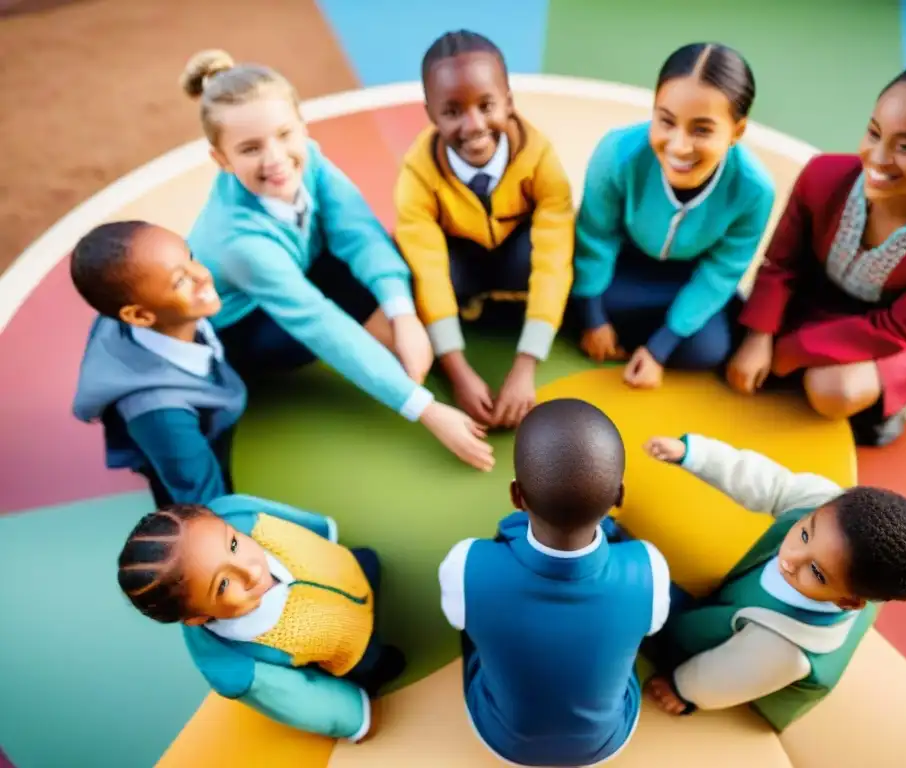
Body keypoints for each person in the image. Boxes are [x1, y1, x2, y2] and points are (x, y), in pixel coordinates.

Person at [181, 49, 494, 471]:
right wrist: (426, 411)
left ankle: (422, 355)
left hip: (302, 268)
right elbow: (323, 327)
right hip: (250, 326)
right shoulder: (238, 243)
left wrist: (402, 316)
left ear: (302, 126)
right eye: (250, 148)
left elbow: (360, 235)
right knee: (348, 311)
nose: (275, 158)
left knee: (380, 258)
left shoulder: (310, 159)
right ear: (221, 160)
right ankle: (420, 380)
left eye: (284, 134)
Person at [727, 49, 906, 446]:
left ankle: (887, 399)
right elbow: (781, 263)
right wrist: (759, 337)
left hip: (902, 330)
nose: (877, 158)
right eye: (875, 132)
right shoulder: (821, 176)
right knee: (731, 337)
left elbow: (895, 327)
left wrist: (786, 352)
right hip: (822, 298)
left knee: (833, 391)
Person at [641, 433, 906, 730]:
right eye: (803, 534)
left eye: (816, 571)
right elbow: (770, 482)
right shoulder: (824, 506)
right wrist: (695, 455)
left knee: (668, 627)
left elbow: (729, 677)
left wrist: (684, 689)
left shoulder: (785, 648)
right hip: (749, 605)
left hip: (752, 655)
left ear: (847, 601)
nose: (791, 557)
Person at [438, 399, 671, 766]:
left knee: (472, 619)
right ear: (619, 496)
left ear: (517, 495)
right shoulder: (650, 568)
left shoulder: (465, 564)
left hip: (503, 740)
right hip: (604, 743)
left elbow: (457, 620)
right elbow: (652, 626)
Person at [116, 493, 406, 741]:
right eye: (223, 585)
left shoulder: (237, 512)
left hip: (345, 567)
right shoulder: (233, 666)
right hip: (351, 646)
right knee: (376, 663)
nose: (252, 570)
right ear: (198, 617)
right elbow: (300, 699)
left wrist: (323, 530)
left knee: (365, 563)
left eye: (233, 545)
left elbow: (290, 518)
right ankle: (375, 663)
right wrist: (354, 719)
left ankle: (361, 572)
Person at [395, 30, 575, 429]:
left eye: (487, 105)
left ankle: (507, 308)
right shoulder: (417, 174)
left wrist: (526, 364)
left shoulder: (540, 157)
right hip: (462, 265)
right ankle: (478, 308)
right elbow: (429, 270)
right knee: (408, 265)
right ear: (430, 114)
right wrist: (457, 371)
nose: (474, 125)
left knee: (557, 252)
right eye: (453, 111)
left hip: (516, 258)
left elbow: (552, 258)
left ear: (509, 101)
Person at [571, 43, 775, 390]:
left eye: (701, 130)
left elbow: (720, 273)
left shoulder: (754, 191)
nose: (679, 146)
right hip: (622, 265)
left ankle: (646, 328)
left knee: (708, 349)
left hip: (684, 278)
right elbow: (595, 237)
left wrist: (659, 349)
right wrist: (593, 320)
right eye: (666, 121)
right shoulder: (617, 153)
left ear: (737, 132)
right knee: (568, 302)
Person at [71, 221, 245, 507]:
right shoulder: (160, 412)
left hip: (192, 418)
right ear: (139, 316)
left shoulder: (166, 316)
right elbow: (205, 503)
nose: (202, 275)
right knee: (196, 501)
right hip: (180, 445)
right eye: (180, 281)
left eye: (190, 257)